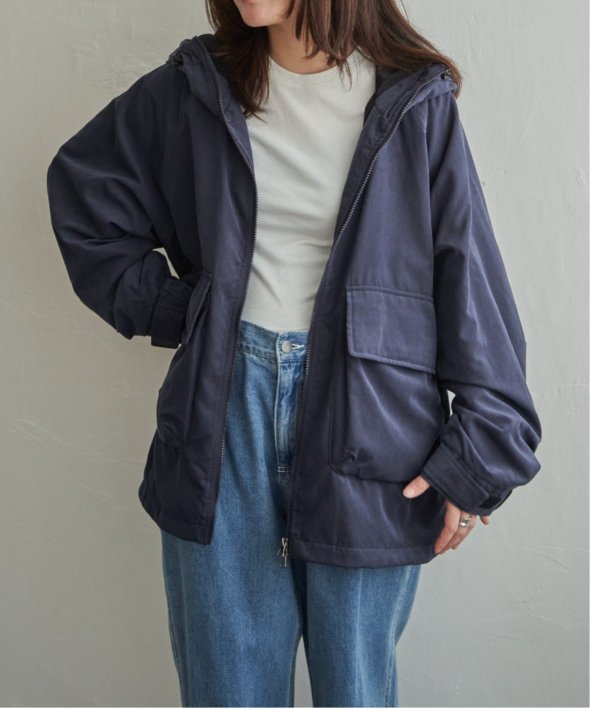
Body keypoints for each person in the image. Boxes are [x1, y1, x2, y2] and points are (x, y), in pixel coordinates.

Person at [46, 0, 543, 706]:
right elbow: (85, 197)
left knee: (355, 694)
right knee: (227, 693)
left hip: (372, 427)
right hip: (223, 419)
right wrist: (188, 313)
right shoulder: (195, 87)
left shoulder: (412, 102)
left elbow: (466, 274)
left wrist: (480, 455)